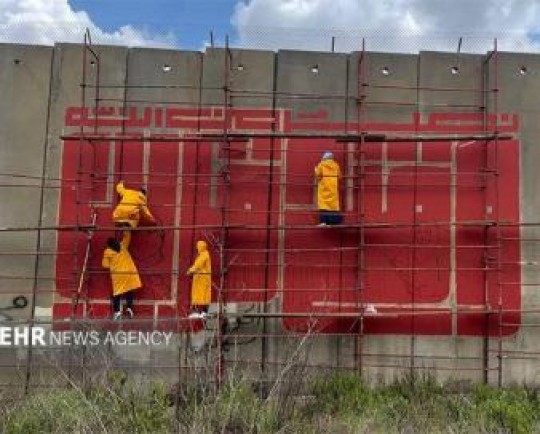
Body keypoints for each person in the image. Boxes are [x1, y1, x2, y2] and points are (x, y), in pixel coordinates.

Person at [102, 231, 141, 320]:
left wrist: (112, 263)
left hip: (118, 275)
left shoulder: (107, 252)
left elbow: (105, 265)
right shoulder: (123, 246)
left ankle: (117, 312)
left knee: (117, 293)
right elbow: (127, 236)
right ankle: (129, 308)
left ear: (109, 245)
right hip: (129, 273)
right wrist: (125, 228)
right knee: (129, 290)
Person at [314, 152, 342, 226]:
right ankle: (333, 222)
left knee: (323, 205)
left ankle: (324, 222)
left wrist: (316, 169)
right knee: (333, 205)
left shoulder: (321, 164)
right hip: (333, 188)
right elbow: (339, 176)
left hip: (324, 188)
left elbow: (318, 175)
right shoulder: (336, 165)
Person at [187, 240, 212, 318]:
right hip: (203, 278)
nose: (197, 248)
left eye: (197, 247)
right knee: (204, 295)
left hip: (201, 278)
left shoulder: (203, 255)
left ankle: (197, 312)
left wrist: (190, 271)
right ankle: (203, 312)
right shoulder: (205, 254)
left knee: (198, 295)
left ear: (199, 247)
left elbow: (198, 265)